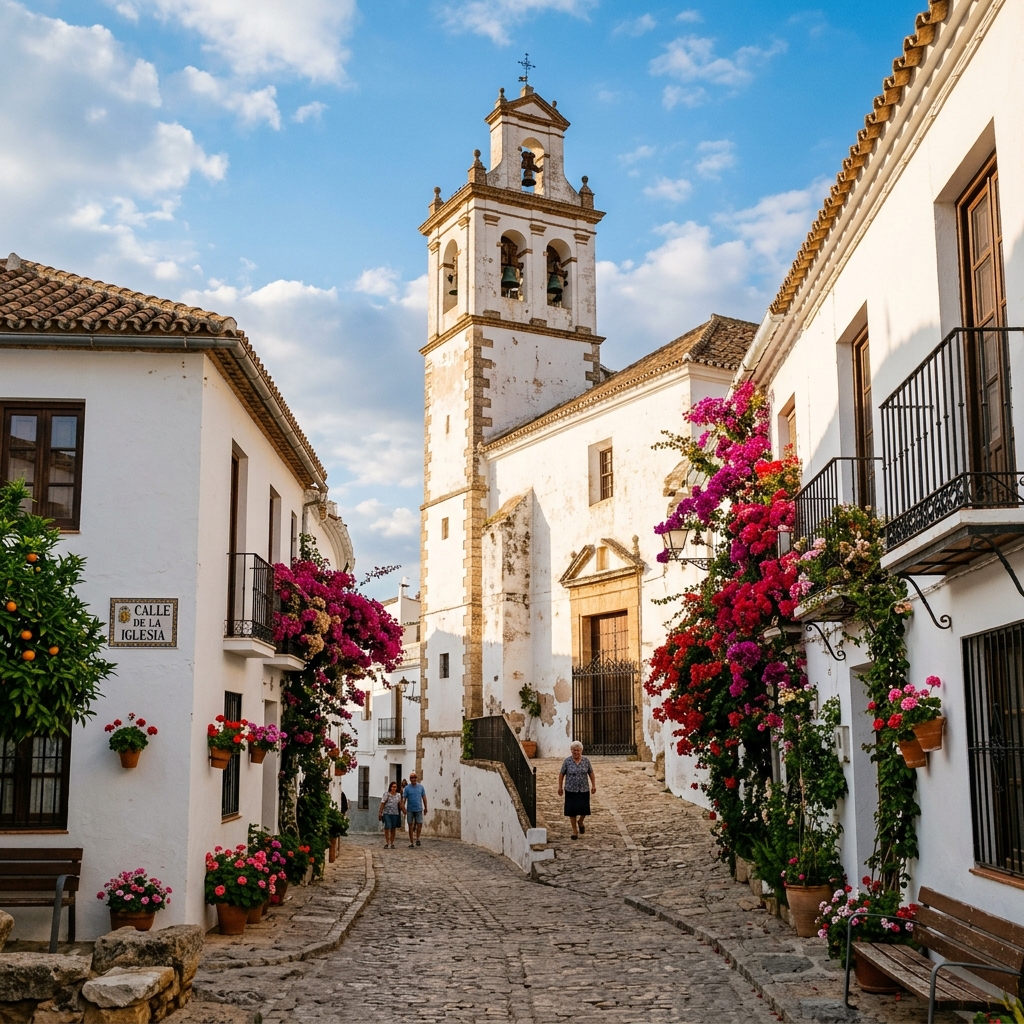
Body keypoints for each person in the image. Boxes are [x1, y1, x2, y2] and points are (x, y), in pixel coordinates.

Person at [558, 741, 596, 840]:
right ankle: (574, 831)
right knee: (572, 811)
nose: (576, 752)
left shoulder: (586, 761)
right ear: (571, 751)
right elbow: (561, 774)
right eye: (574, 750)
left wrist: (593, 785)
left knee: (584, 809)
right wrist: (560, 787)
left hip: (583, 789)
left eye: (578, 750)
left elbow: (591, 773)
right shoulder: (567, 761)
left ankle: (580, 821)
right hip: (570, 789)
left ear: (581, 751)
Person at [402, 771, 428, 847]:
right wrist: (403, 808)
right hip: (410, 809)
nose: (414, 779)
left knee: (419, 824)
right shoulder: (407, 788)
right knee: (410, 825)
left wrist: (426, 807)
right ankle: (411, 841)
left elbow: (424, 797)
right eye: (412, 778)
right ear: (410, 779)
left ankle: (418, 838)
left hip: (418, 808)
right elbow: (404, 798)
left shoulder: (421, 787)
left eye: (415, 777)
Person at [378, 781, 401, 849]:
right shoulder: (386, 794)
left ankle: (392, 843)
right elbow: (382, 803)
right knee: (387, 827)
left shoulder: (398, 795)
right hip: (387, 813)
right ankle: (387, 842)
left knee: (393, 828)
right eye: (393, 787)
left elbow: (400, 804)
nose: (394, 788)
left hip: (395, 813)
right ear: (390, 787)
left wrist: (403, 810)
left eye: (395, 787)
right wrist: (380, 812)